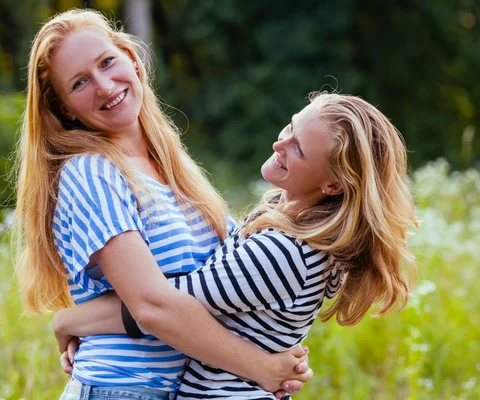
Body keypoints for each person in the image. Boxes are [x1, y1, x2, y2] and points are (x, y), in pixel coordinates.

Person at [14, 8, 311, 400]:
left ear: (132, 60)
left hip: (187, 389)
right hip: (123, 389)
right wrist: (261, 368)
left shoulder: (175, 171)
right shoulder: (91, 174)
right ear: (66, 108)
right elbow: (152, 306)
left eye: (107, 62)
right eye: (80, 82)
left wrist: (73, 319)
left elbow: (223, 286)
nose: (104, 86)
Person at [52, 91, 419, 399]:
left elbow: (164, 302)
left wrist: (69, 320)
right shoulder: (281, 218)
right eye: (291, 126)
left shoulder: (286, 251)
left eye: (300, 149)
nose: (280, 143)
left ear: (333, 186)